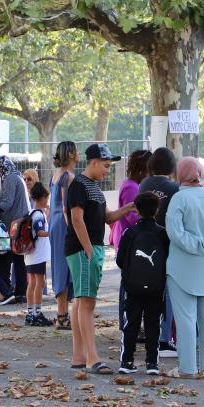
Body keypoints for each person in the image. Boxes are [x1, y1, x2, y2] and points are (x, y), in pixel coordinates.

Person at [66, 144, 135, 375]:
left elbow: (107, 218)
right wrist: (88, 249)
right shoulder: (78, 185)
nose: (108, 171)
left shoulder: (93, 187)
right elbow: (76, 219)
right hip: (84, 249)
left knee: (80, 301)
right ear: (93, 162)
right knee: (87, 303)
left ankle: (80, 356)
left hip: (89, 248)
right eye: (106, 166)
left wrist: (130, 207)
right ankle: (92, 359)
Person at [165, 157, 204, 378]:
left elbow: (175, 233)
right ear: (200, 174)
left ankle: (187, 368)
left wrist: (200, 245)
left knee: (185, 318)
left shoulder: (178, 199)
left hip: (182, 266)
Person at [116, 192, 169, 375]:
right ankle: (152, 363)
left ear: (136, 209)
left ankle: (127, 361)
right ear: (157, 210)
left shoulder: (130, 232)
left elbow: (120, 260)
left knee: (131, 322)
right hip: (156, 287)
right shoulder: (163, 233)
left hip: (132, 286)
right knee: (153, 323)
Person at [137, 146, 180, 357]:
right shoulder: (174, 188)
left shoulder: (144, 183)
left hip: (145, 241)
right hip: (167, 242)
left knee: (150, 291)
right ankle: (165, 338)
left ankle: (150, 334)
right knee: (169, 292)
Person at [112, 150, 151, 336]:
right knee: (128, 284)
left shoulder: (132, 185)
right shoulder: (132, 187)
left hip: (129, 239)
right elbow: (132, 215)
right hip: (129, 241)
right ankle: (125, 321)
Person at [0, 156, 31, 302]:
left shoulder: (11, 178)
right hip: (15, 224)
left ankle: (11, 292)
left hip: (15, 225)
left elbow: (7, 203)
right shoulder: (15, 176)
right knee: (15, 260)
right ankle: (13, 292)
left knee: (9, 260)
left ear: (1, 167)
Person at [49, 141, 78, 329]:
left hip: (55, 223)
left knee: (61, 268)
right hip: (63, 225)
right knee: (64, 268)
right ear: (70, 154)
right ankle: (62, 315)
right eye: (76, 150)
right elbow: (67, 206)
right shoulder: (67, 176)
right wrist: (73, 230)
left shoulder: (56, 174)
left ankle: (62, 314)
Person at [23, 182, 52, 326]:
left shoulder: (30, 213)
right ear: (42, 198)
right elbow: (40, 232)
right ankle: (37, 314)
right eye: (47, 198)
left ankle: (30, 313)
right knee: (39, 283)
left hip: (29, 254)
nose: (47, 201)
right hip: (38, 254)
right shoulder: (39, 215)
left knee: (32, 282)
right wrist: (53, 233)